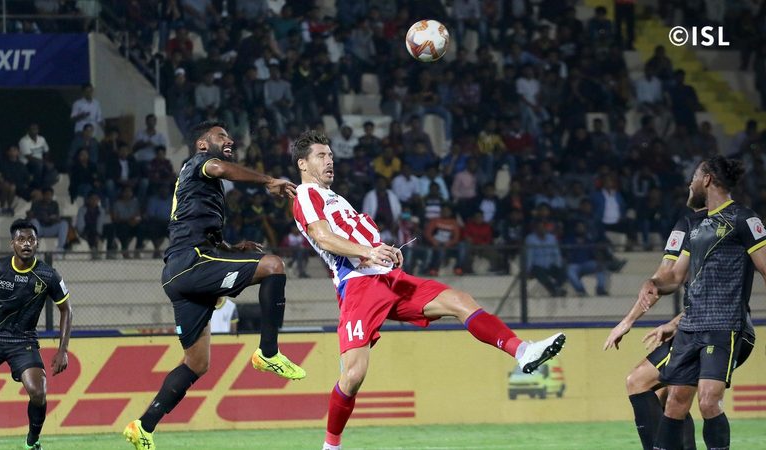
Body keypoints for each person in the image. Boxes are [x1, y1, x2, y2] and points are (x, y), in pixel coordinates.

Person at [289, 130, 566, 450]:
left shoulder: (334, 197)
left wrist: (383, 251)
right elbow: (323, 237)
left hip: (388, 278)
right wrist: (368, 252)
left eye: (331, 156)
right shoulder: (306, 194)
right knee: (353, 376)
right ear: (303, 164)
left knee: (459, 300)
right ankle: (331, 446)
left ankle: (522, 351)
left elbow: (354, 236)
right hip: (358, 285)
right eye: (321, 156)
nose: (330, 161)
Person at [123, 120, 306, 450]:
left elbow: (194, 226)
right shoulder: (200, 163)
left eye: (229, 135)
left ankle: (142, 427)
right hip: (192, 263)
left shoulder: (198, 184)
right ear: (202, 144)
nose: (229, 139)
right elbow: (221, 169)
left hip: (179, 273)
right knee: (274, 266)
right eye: (221, 136)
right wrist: (268, 181)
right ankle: (268, 352)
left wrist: (229, 248)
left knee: (196, 363)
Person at [632, 156, 766, 450]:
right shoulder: (694, 224)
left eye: (694, 177)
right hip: (690, 327)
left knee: (708, 400)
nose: (690, 183)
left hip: (724, 324)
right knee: (675, 402)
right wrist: (653, 283)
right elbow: (674, 277)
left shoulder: (744, 219)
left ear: (706, 179)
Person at [604, 207, 752, 449]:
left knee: (654, 387)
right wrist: (672, 323)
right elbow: (677, 280)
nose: (689, 188)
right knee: (666, 396)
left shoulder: (717, 224)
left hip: (728, 328)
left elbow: (703, 289)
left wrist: (631, 321)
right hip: (701, 325)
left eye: (692, 184)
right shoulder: (701, 225)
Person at [0, 219, 73, 450]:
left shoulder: (48, 275)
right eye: (21, 239)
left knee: (38, 392)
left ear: (37, 243)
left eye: (31, 239)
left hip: (24, 341)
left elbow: (66, 309)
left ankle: (32, 442)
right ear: (13, 243)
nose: (26, 244)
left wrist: (63, 350)